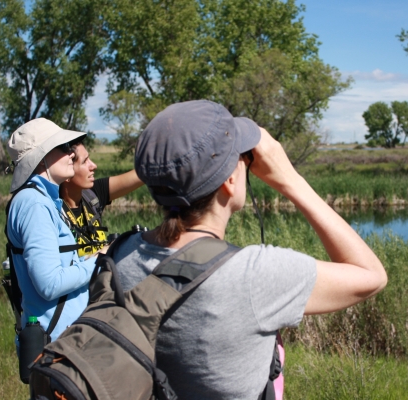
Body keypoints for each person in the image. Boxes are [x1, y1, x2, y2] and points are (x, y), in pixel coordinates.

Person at [111, 100, 388, 399]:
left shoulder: (121, 253)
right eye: (242, 158)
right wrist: (291, 180)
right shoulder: (253, 275)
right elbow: (371, 276)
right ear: (230, 180)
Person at [6, 118, 103, 343]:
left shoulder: (41, 199)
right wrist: (98, 261)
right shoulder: (35, 204)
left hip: (62, 339)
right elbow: (49, 284)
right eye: (63, 148)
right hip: (56, 344)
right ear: (40, 159)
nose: (71, 154)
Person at [59, 141, 143, 257]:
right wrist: (106, 251)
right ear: (66, 172)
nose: (94, 166)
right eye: (84, 161)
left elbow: (143, 174)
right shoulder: (53, 211)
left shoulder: (92, 194)